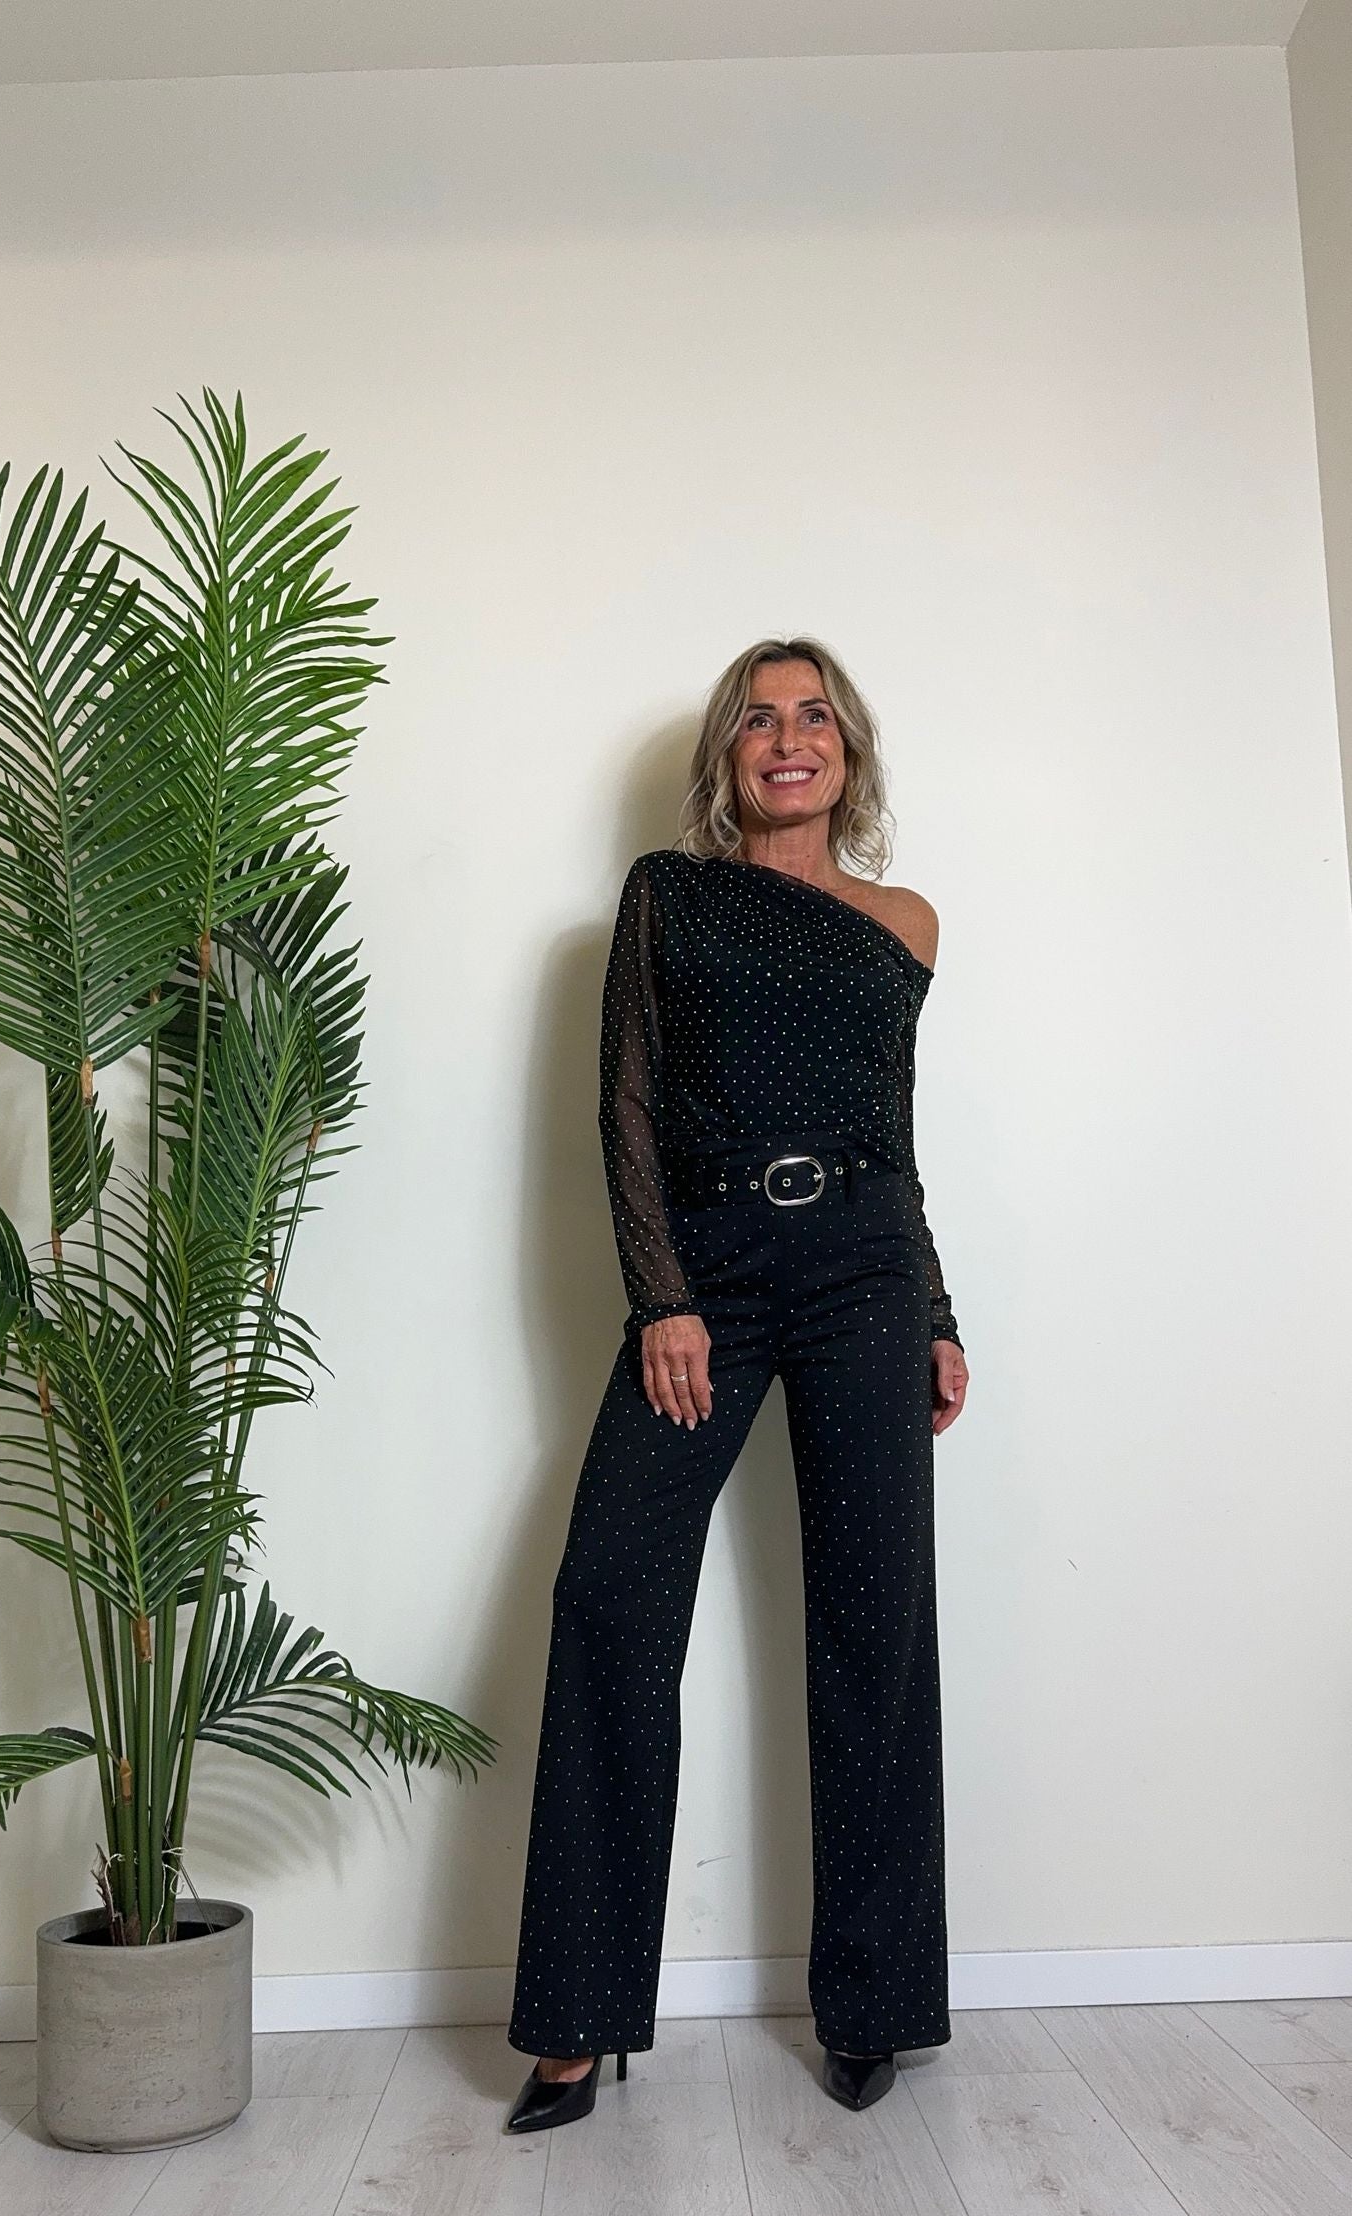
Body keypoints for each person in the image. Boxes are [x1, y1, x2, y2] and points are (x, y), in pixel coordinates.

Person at [504, 635, 968, 2133]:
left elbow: (892, 1133)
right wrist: (665, 1297)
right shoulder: (670, 895)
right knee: (609, 1593)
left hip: (865, 1277)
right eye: (760, 720)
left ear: (849, 750)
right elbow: (627, 1103)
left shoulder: (905, 923)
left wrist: (937, 1310)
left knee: (876, 1624)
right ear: (728, 754)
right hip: (709, 1269)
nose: (789, 738)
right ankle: (577, 2019)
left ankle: (877, 2004)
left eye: (814, 716)